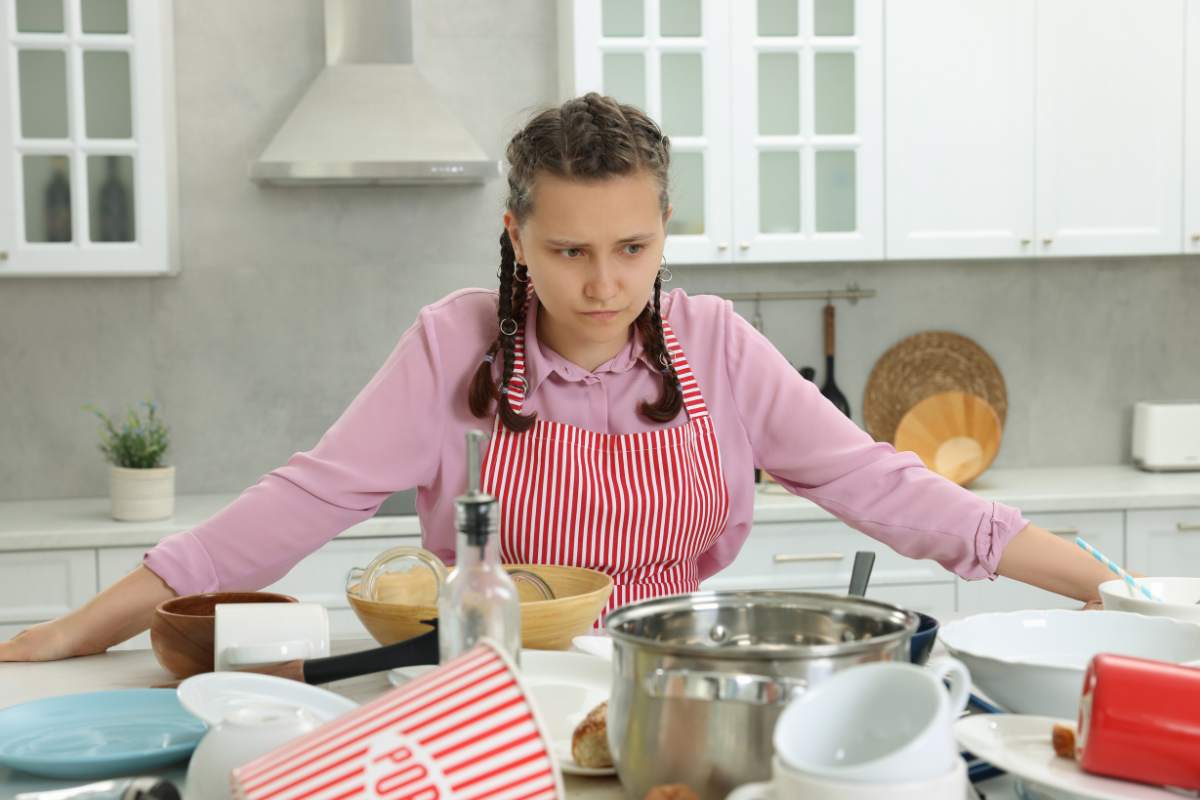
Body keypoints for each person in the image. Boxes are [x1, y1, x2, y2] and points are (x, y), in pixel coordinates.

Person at [0, 93, 1115, 662]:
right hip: (494, 693)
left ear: (664, 229)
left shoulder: (718, 343)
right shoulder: (454, 344)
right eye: (570, 250)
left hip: (677, 679)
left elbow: (894, 488)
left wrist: (1110, 589)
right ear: (516, 237)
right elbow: (294, 504)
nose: (603, 282)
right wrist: (65, 633)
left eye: (632, 248)